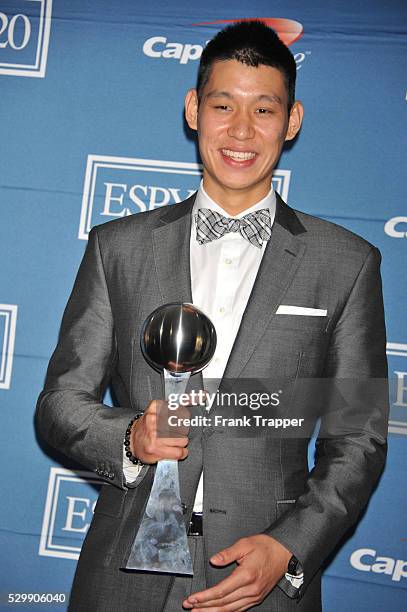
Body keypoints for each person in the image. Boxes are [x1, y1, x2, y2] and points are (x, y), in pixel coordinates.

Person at [35, 21, 388, 611]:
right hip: (124, 572)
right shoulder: (117, 247)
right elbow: (60, 403)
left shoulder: (347, 263)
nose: (241, 131)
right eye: (223, 105)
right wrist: (129, 436)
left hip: (261, 576)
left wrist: (291, 547)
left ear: (292, 120)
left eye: (264, 111)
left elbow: (359, 435)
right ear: (194, 108)